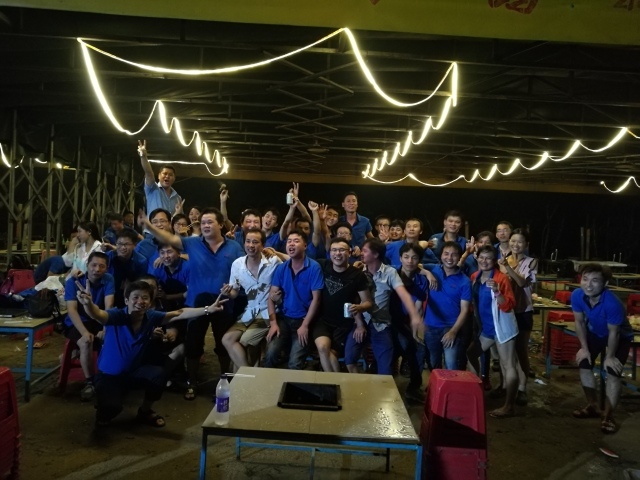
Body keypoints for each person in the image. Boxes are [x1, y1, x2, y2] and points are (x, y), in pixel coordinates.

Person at [75, 280, 227, 428]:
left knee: (158, 374)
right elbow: (98, 314)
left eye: (145, 298)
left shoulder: (151, 316)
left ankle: (145, 411)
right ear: (126, 300)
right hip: (108, 376)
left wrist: (208, 309)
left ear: (150, 302)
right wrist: (88, 304)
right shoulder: (116, 316)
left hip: (133, 372)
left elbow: (179, 313)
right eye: (135, 297)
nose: (140, 301)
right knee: (112, 408)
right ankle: (103, 413)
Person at [138, 207, 243, 400]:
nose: (205, 225)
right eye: (203, 223)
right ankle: (192, 382)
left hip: (224, 302)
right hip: (196, 304)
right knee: (193, 344)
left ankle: (224, 379)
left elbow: (243, 270)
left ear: (220, 224)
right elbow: (169, 239)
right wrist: (149, 226)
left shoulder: (234, 247)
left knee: (223, 345)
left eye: (210, 222)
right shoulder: (192, 243)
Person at [344, 239, 424, 376]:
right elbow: (353, 300)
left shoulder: (390, 272)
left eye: (365, 251)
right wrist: (359, 324)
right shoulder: (358, 272)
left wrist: (414, 315)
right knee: (349, 360)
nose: (361, 253)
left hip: (381, 325)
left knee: (386, 369)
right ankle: (360, 386)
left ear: (376, 254)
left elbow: (403, 293)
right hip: (361, 322)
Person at [570, 263, 634, 434]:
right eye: (585, 279)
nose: (588, 285)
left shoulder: (613, 304)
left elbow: (614, 333)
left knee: (612, 372)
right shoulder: (577, 295)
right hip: (595, 333)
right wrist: (584, 348)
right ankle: (592, 405)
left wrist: (610, 356)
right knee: (584, 363)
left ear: (605, 283)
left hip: (619, 337)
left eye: (595, 280)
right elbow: (579, 322)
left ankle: (608, 416)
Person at [467, 245, 518, 418]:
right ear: (477, 258)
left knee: (508, 364)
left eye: (488, 258)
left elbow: (509, 305)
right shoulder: (475, 277)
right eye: (481, 257)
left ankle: (509, 406)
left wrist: (497, 291)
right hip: (487, 329)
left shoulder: (501, 278)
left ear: (494, 260)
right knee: (471, 353)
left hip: (502, 327)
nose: (484, 261)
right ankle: (475, 393)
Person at [220, 228, 282, 370]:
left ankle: (245, 375)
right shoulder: (237, 264)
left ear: (263, 245)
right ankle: (250, 374)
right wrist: (228, 292)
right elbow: (235, 292)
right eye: (248, 241)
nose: (251, 245)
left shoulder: (273, 261)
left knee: (244, 341)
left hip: (269, 312)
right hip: (250, 311)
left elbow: (292, 264)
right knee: (227, 339)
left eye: (255, 242)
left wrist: (277, 252)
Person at [265, 230, 324, 370]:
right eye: (289, 241)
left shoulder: (314, 267)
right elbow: (271, 298)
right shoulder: (282, 268)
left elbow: (316, 300)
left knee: (294, 363)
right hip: (284, 319)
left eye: (296, 241)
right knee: (270, 355)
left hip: (304, 320)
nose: (291, 244)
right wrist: (273, 323)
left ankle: (294, 385)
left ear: (305, 246)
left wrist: (305, 325)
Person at [312, 237, 372, 372]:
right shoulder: (323, 265)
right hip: (323, 321)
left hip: (344, 325)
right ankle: (335, 381)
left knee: (332, 354)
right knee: (322, 347)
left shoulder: (357, 275)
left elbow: (368, 302)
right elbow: (300, 260)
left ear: (349, 253)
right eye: (334, 250)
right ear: (330, 253)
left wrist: (360, 307)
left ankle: (334, 381)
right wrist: (276, 253)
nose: (337, 253)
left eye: (342, 250)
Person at [62, 252, 115, 401]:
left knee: (114, 339)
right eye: (94, 265)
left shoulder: (108, 279)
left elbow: (109, 306)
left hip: (98, 319)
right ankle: (90, 382)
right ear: (87, 265)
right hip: (77, 322)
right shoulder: (74, 281)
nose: (97, 269)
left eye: (102, 266)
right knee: (86, 342)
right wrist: (85, 332)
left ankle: (109, 378)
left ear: (107, 268)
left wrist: (105, 329)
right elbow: (72, 310)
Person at [498, 228, 537, 406]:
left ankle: (522, 388)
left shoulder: (531, 262)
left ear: (526, 244)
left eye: (520, 241)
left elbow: (521, 282)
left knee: (521, 351)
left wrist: (507, 267)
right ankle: (506, 386)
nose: (515, 244)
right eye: (513, 241)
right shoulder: (503, 260)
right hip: (507, 311)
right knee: (506, 353)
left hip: (523, 311)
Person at [389, 242, 429, 401]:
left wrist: (414, 333)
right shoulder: (391, 273)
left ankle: (413, 388)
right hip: (388, 321)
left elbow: (417, 308)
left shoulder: (422, 280)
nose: (410, 261)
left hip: (406, 323)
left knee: (418, 349)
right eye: (406, 257)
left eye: (414, 258)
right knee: (394, 351)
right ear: (400, 258)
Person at [423, 241, 472, 370]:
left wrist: (453, 332)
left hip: (451, 327)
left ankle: (452, 384)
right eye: (446, 254)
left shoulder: (465, 281)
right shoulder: (433, 269)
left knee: (451, 365)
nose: (449, 258)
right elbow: (413, 266)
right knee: (433, 364)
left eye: (454, 254)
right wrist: (428, 274)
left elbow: (465, 310)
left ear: (459, 257)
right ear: (441, 255)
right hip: (430, 327)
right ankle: (436, 383)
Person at [137, 140, 183, 235]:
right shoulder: (152, 189)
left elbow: (178, 220)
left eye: (170, 175)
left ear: (174, 178)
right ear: (158, 176)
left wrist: (178, 213)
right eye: (164, 174)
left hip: (168, 235)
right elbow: (149, 173)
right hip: (151, 233)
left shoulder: (178, 198)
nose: (167, 176)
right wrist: (143, 156)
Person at [106, 230, 148, 308]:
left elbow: (141, 283)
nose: (123, 247)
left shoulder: (141, 261)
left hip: (131, 294)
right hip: (108, 292)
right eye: (120, 244)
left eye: (126, 244)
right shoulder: (107, 257)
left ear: (134, 245)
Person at [151, 243, 190, 312]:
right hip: (167, 304)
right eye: (162, 253)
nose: (166, 256)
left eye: (169, 252)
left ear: (179, 253)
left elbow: (191, 293)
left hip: (188, 305)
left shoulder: (188, 268)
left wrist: (167, 297)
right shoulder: (159, 266)